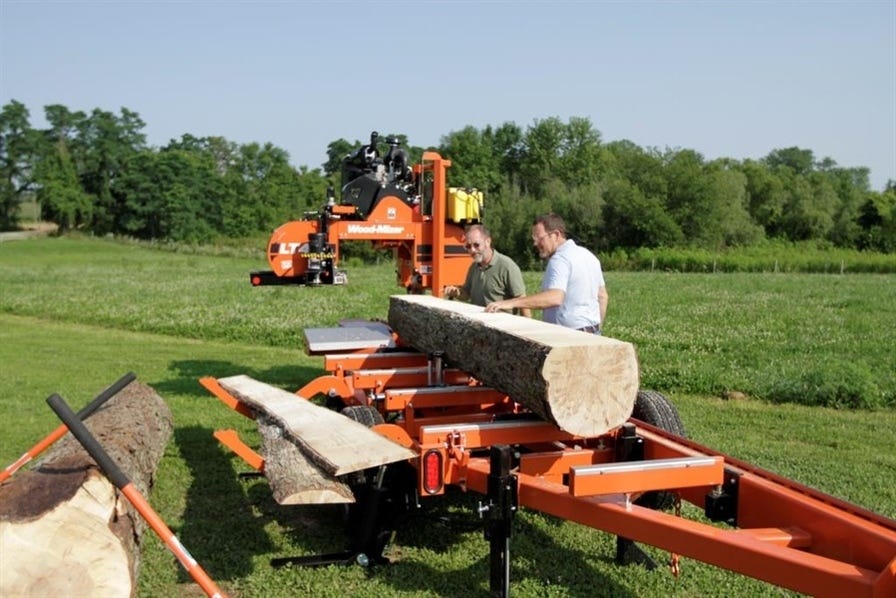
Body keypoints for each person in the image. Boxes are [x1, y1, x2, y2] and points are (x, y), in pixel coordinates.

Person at [485, 213, 608, 334]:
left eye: (540, 238)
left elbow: (555, 297)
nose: (535, 243)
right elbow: (602, 296)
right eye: (534, 239)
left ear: (556, 235)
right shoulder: (589, 256)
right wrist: (596, 331)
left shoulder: (560, 259)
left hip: (568, 336)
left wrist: (511, 303)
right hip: (593, 332)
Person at [443, 224, 532, 318]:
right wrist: (456, 293)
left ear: (488, 242)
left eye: (476, 245)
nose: (472, 250)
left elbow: (522, 301)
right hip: (478, 323)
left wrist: (528, 328)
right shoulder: (473, 267)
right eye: (468, 246)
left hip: (502, 325)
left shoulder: (507, 266)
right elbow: (466, 294)